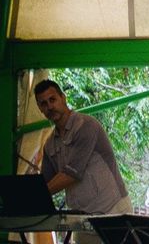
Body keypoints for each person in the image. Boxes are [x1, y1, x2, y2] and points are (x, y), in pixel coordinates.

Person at [34, 79, 132, 244]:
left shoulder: (87, 126)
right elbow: (45, 182)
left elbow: (72, 174)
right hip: (82, 219)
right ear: (40, 109)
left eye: (52, 100)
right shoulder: (50, 144)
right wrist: (25, 194)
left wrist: (34, 196)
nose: (49, 106)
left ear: (63, 98)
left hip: (113, 210)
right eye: (43, 104)